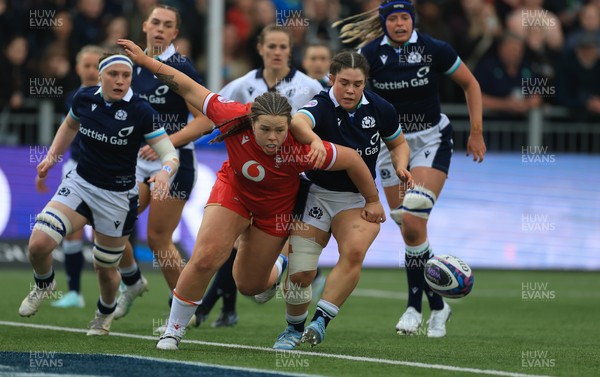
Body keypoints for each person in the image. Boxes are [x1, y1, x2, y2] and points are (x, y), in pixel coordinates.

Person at [117, 37, 386, 351]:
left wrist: (372, 199)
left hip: (274, 212)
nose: (273, 138)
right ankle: (172, 330)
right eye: (265, 130)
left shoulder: (303, 146)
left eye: (279, 130)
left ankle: (279, 264)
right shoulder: (231, 114)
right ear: (250, 122)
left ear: (290, 127)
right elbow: (186, 86)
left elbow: (353, 159)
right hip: (235, 194)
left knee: (250, 285)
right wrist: (145, 60)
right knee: (206, 257)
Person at [335, 0, 486, 338]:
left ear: (413, 21)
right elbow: (346, 88)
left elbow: (471, 84)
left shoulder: (434, 49)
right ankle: (439, 306)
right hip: (391, 147)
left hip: (432, 140)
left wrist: (476, 131)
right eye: (393, 18)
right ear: (384, 22)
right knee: (411, 231)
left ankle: (413, 309)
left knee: (414, 216)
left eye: (405, 18)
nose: (400, 24)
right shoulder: (368, 54)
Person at [18, 52, 180, 337]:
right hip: (80, 184)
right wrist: (51, 157)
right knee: (38, 244)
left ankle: (104, 313)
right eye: (113, 75)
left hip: (117, 197)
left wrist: (165, 172)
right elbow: (70, 124)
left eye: (126, 75)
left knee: (104, 268)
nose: (120, 81)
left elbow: (169, 153)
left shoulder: (141, 111)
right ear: (101, 76)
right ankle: (44, 284)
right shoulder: (85, 98)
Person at [271, 50, 413, 350]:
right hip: (316, 194)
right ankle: (293, 328)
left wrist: (401, 165)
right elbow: (298, 122)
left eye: (358, 84)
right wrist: (312, 141)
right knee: (302, 271)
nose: (350, 90)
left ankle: (320, 321)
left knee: (355, 251)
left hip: (356, 198)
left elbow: (398, 142)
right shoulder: (321, 105)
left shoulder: (380, 108)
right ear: (331, 79)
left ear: (365, 83)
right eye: (344, 83)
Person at [189, 24, 325, 328]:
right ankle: (221, 307)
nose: (277, 52)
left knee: (246, 250)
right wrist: (180, 140)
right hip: (249, 175)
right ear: (260, 49)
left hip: (291, 180)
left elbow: (325, 125)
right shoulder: (241, 85)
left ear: (291, 51)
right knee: (234, 246)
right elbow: (213, 114)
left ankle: (225, 305)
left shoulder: (310, 87)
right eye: (271, 46)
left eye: (283, 47)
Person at [111, 3, 213, 322]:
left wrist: (164, 144)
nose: (159, 28)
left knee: (157, 238)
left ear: (175, 33)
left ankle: (184, 308)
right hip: (136, 163)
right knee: (111, 223)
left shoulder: (180, 68)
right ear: (144, 26)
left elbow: (205, 121)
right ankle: (132, 282)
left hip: (174, 163)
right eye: (155, 22)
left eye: (167, 25)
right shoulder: (130, 65)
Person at [41, 45, 104, 309]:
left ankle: (125, 283)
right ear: (77, 68)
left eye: (95, 66)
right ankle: (75, 292)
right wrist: (47, 166)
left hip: (107, 173)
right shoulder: (73, 99)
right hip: (77, 169)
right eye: (86, 65)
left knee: (108, 235)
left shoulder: (114, 99)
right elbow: (66, 134)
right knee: (70, 232)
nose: (90, 71)